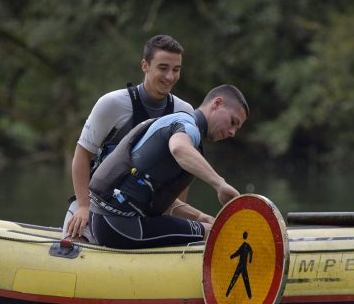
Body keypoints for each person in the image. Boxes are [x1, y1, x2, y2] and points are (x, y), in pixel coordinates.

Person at [63, 34, 194, 242]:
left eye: (176, 70)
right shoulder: (112, 104)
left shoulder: (184, 112)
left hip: (146, 213)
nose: (170, 76)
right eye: (163, 68)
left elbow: (182, 175)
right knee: (74, 241)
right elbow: (81, 156)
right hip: (98, 206)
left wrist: (172, 217)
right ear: (145, 66)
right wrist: (84, 207)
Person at [88, 84, 249, 249]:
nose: (232, 132)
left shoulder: (174, 121)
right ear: (217, 103)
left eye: (236, 128)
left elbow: (145, 194)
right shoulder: (188, 127)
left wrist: (201, 217)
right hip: (119, 226)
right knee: (213, 232)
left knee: (207, 225)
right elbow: (179, 148)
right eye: (232, 122)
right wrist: (220, 184)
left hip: (102, 221)